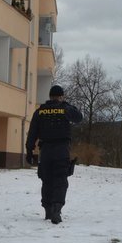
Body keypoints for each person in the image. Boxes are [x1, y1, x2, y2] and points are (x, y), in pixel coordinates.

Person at [25, 85, 84, 224]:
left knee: (47, 180)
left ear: (50, 96)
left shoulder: (40, 112)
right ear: (61, 96)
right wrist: (66, 104)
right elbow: (79, 117)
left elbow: (32, 132)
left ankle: (47, 210)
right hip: (61, 150)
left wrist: (29, 151)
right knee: (60, 180)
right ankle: (56, 209)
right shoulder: (65, 109)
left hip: (45, 151)